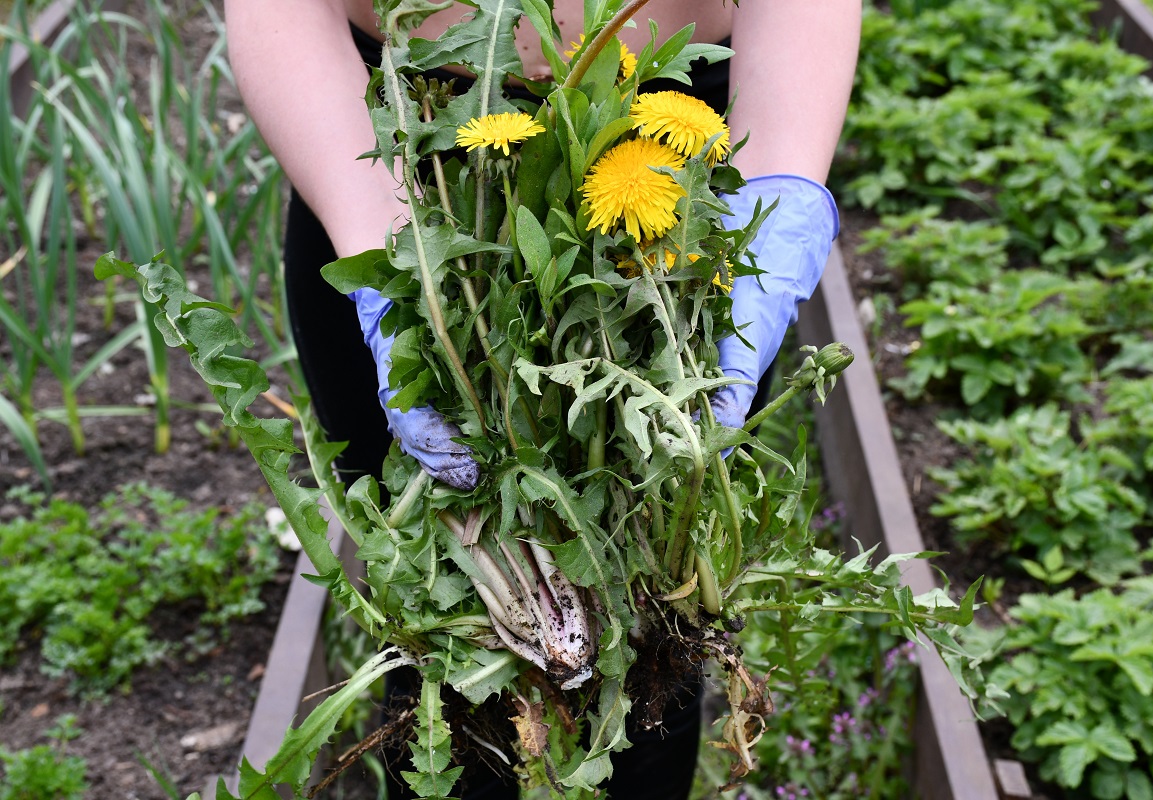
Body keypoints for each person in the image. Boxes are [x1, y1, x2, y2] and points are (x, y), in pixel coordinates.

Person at [226, 2, 860, 797]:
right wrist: (395, 261)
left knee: (654, 642)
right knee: (443, 639)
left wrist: (780, 204)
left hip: (676, 165)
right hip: (388, 146)